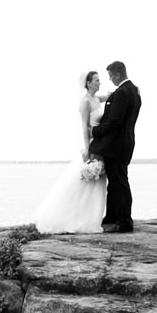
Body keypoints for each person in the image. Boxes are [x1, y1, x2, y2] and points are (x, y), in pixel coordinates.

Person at [30, 70, 108, 234]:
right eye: (96, 80)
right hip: (92, 145)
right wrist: (87, 148)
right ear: (88, 83)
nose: (99, 82)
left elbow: (110, 95)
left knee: (97, 183)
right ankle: (75, 218)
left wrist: (132, 88)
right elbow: (84, 126)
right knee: (88, 183)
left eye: (99, 80)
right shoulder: (85, 102)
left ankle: (91, 218)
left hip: (100, 145)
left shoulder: (96, 98)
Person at [89, 60, 142, 233]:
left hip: (116, 146)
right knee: (115, 183)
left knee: (119, 183)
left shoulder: (122, 92)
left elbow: (114, 122)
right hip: (125, 144)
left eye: (111, 76)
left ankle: (125, 221)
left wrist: (95, 131)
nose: (110, 79)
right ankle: (111, 216)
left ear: (118, 74)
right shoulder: (134, 91)